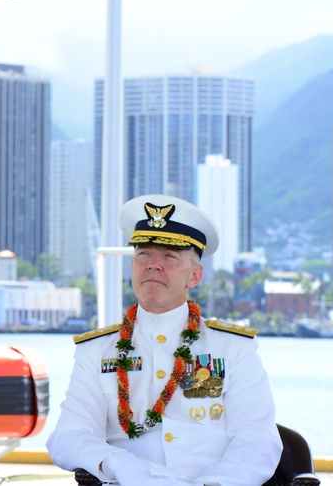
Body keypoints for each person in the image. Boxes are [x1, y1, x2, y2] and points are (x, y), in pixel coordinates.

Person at [47, 195, 282, 486]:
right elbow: (70, 434)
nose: (153, 266)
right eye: (144, 254)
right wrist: (119, 464)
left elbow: (257, 440)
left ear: (195, 276)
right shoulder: (96, 350)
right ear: (132, 265)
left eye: (169, 256)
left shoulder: (233, 348)